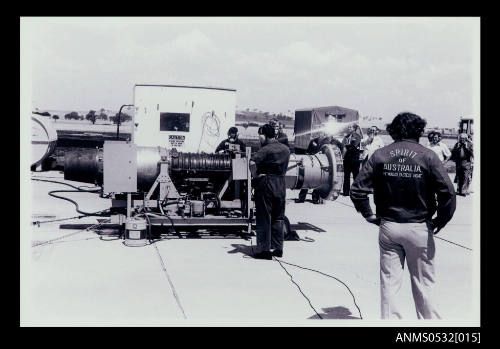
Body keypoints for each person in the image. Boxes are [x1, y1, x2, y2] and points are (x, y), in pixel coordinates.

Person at [350, 112, 456, 319]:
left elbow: (357, 190)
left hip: (389, 226)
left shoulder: (380, 155)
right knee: (425, 285)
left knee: (389, 284)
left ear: (393, 131)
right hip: (419, 226)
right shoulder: (428, 156)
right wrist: (440, 221)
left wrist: (368, 215)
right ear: (419, 131)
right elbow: (448, 194)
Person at [249, 124, 291, 260]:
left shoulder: (265, 150)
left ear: (264, 135)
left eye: (259, 135)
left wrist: (255, 176)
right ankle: (278, 248)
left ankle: (264, 251)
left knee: (264, 218)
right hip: (281, 184)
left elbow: (251, 163)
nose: (258, 138)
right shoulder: (286, 149)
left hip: (267, 184)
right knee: (278, 217)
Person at [341, 123, 363, 196]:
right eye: (348, 127)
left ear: (354, 128)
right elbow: (342, 145)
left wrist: (346, 146)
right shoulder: (346, 137)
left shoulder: (357, 136)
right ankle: (346, 192)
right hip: (347, 159)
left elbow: (353, 146)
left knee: (355, 176)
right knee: (346, 176)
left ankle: (356, 191)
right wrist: (346, 146)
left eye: (350, 127)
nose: (349, 128)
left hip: (354, 160)